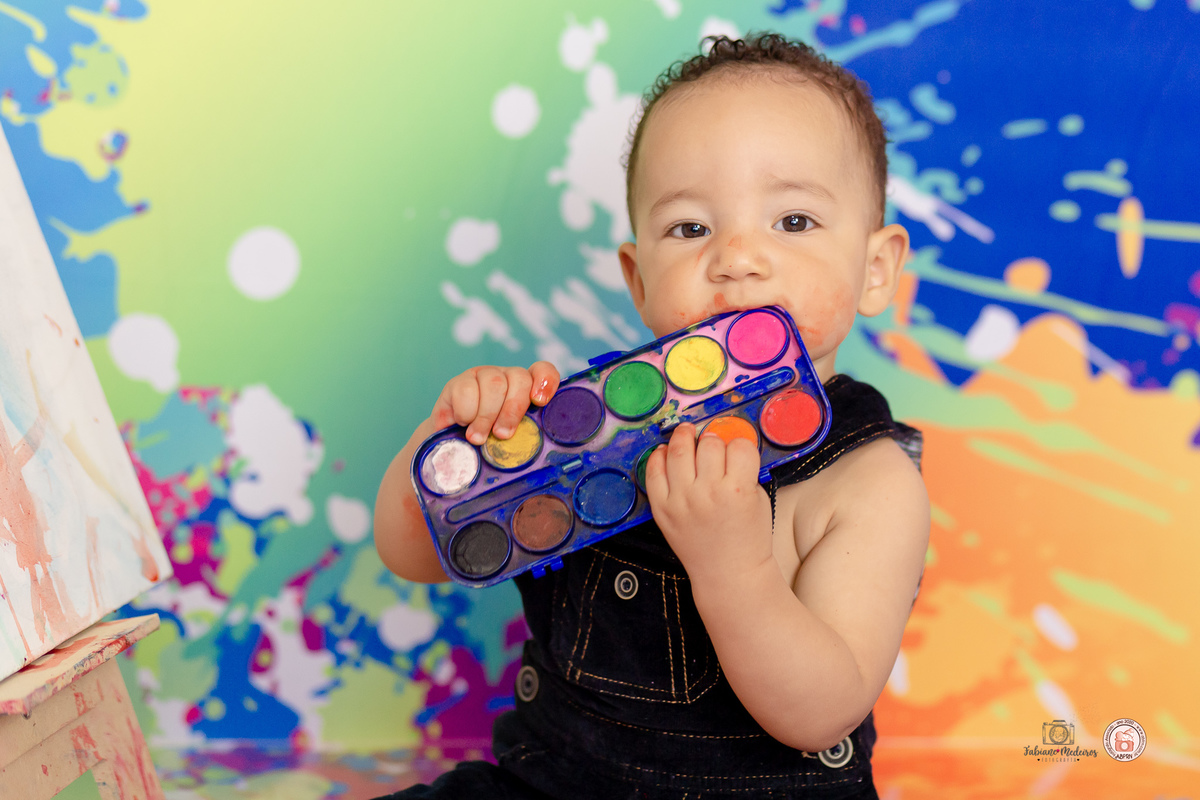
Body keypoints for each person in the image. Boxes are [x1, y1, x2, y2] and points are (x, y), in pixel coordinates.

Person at [373, 31, 930, 800]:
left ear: (875, 270)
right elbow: (417, 554)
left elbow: (823, 712)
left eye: (794, 221)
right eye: (691, 228)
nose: (736, 257)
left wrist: (733, 568)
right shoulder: (591, 426)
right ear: (639, 281)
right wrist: (449, 451)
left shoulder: (869, 482)